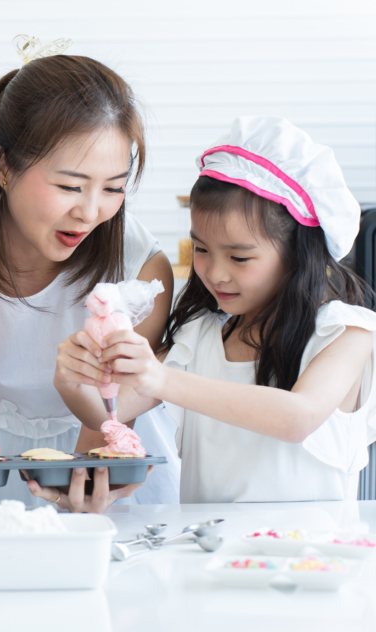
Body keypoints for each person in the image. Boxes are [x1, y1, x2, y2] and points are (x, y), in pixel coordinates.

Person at [0, 45, 179, 512]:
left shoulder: (141, 271)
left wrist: (82, 486)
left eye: (114, 188)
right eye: (69, 186)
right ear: (2, 166)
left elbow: (103, 426)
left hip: (96, 468)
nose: (89, 212)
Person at [56, 116, 376, 502]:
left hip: (311, 559)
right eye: (202, 250)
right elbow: (108, 412)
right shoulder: (200, 334)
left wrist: (159, 378)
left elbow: (298, 417)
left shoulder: (346, 333)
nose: (215, 274)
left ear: (298, 254)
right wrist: (72, 380)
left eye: (239, 258)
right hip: (204, 556)